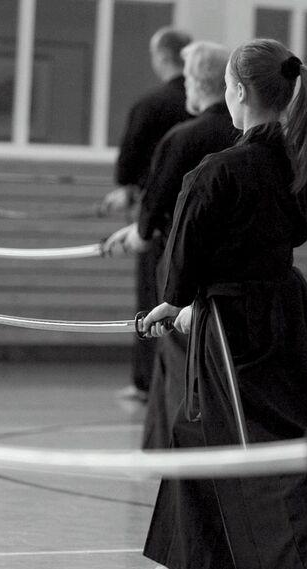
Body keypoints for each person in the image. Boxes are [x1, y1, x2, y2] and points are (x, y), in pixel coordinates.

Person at [133, 38, 307, 569]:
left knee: (279, 445)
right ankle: (182, 560)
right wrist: (191, 301)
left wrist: (173, 302)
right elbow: (261, 244)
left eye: (226, 90)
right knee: (197, 429)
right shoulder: (299, 169)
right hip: (277, 310)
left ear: (239, 91)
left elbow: (186, 255)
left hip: (237, 327)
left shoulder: (217, 172)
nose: (225, 99)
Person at [103, 41, 239, 449]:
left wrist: (140, 232)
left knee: (177, 356)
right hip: (234, 270)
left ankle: (177, 446)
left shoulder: (184, 138)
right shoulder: (248, 139)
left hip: (182, 262)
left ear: (196, 82)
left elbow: (158, 202)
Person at [98, 27, 193, 404]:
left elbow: (132, 165)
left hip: (158, 220)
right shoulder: (216, 110)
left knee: (155, 295)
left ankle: (146, 382)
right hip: (199, 218)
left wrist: (129, 189)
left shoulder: (151, 105)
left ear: (161, 57)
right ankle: (184, 380)